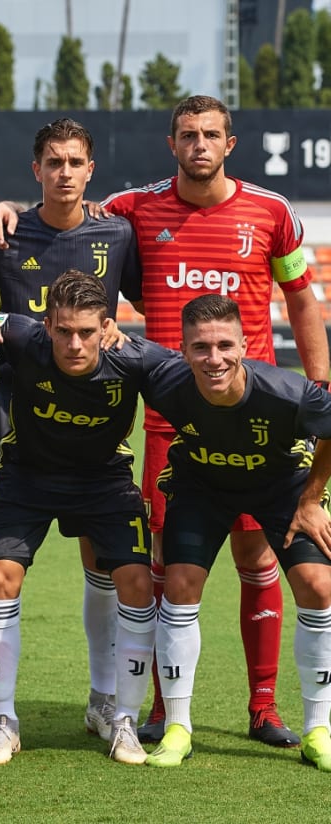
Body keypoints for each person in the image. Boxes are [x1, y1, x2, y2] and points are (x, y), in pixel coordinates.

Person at [0, 94, 330, 748]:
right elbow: (65, 213)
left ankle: (263, 707)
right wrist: (6, 211)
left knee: (258, 556)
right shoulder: (133, 210)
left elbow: (303, 300)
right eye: (188, 134)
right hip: (172, 411)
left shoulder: (271, 214)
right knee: (169, 561)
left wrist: (317, 387)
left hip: (256, 414)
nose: (199, 144)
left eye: (211, 134)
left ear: (231, 142)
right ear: (171, 144)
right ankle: (168, 711)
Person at [0, 118, 141, 745]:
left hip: (97, 427)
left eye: (75, 162)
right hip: (18, 422)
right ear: (35, 168)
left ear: (91, 171)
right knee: (2, 566)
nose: (64, 172)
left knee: (106, 563)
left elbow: (150, 304)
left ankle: (104, 699)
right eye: (53, 162)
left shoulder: (117, 233)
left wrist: (120, 332)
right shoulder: (4, 234)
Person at [0, 270, 165, 765]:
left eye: (87, 331)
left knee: (137, 584)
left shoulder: (135, 358)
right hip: (27, 477)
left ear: (107, 327)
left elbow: (202, 381)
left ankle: (122, 717)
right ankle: (3, 718)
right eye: (63, 331)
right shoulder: (19, 337)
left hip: (103, 481)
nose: (74, 343)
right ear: (47, 325)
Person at [140, 294, 331, 770]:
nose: (214, 358)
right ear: (182, 351)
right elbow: (103, 343)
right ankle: (178, 728)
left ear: (245, 345)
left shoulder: (288, 392)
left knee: (319, 586)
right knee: (179, 585)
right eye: (200, 348)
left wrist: (310, 499)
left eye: (225, 345)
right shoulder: (164, 379)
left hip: (281, 487)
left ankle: (319, 729)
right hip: (201, 485)